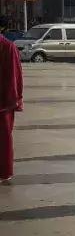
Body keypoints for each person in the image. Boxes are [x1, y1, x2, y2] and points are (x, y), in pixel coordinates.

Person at [0, 16, 23, 186]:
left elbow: (14, 77)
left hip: (4, 103)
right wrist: (16, 100)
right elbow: (16, 77)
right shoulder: (8, 47)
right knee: (3, 139)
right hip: (4, 103)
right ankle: (4, 172)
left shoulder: (7, 47)